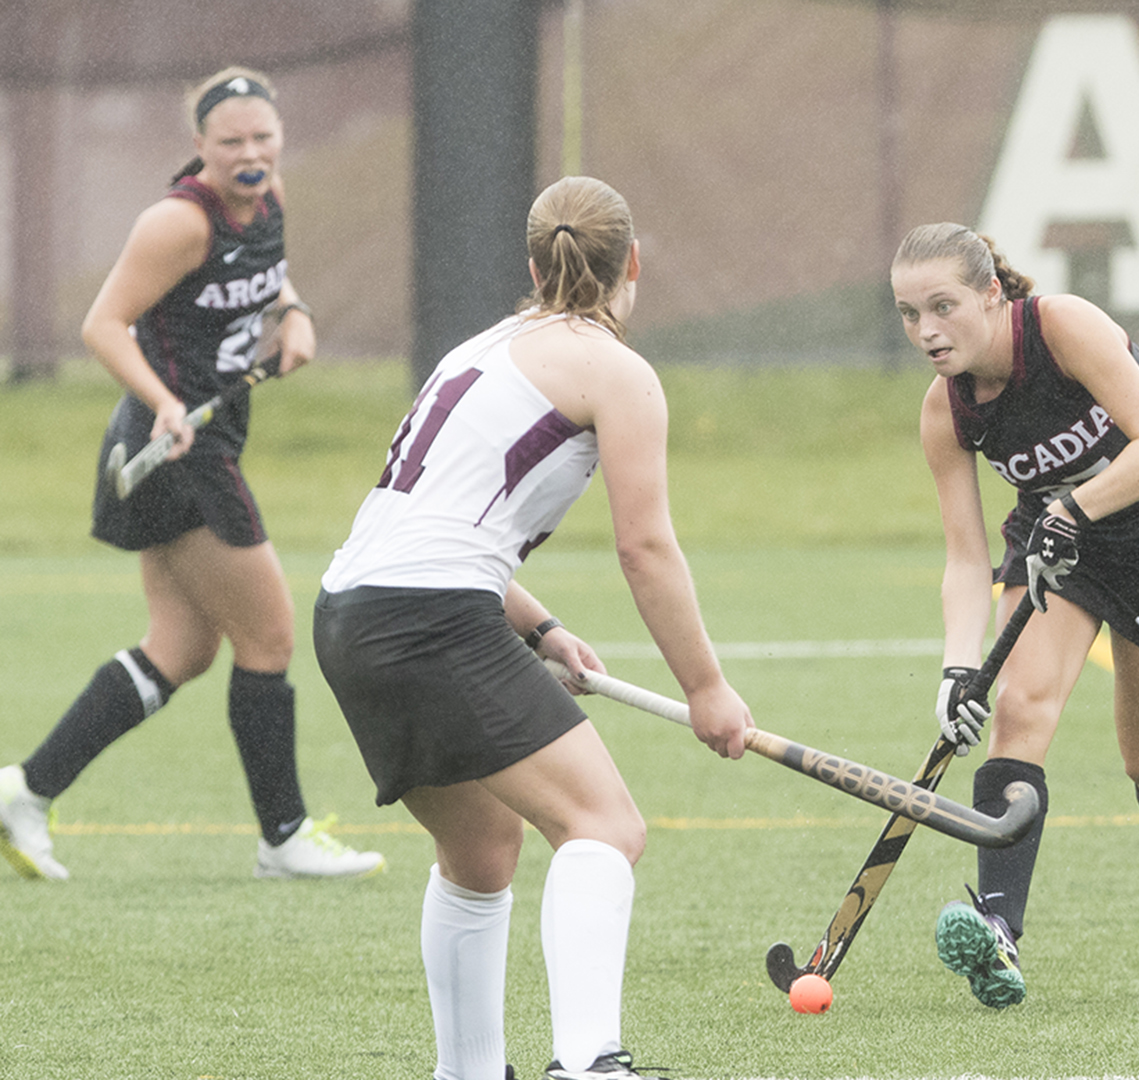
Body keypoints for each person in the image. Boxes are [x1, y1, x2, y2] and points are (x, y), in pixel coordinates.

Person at [312, 175, 754, 1080]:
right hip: (429, 616)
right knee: (604, 826)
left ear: (533, 265)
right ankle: (591, 1063)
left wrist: (541, 624)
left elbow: (430, 517)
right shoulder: (619, 373)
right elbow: (647, 549)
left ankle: (468, 1073)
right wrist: (707, 688)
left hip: (351, 612)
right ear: (633, 264)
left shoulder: (478, 349)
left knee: (480, 849)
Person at [0, 68, 383, 882]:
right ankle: (283, 837)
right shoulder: (177, 221)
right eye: (232, 143)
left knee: (179, 647)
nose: (250, 155)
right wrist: (166, 403)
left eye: (263, 139)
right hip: (176, 451)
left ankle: (24, 792)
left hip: (211, 437)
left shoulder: (269, 196)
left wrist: (297, 314)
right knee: (271, 635)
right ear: (200, 146)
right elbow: (102, 325)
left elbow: (268, 272)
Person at [893, 223, 1139, 1004]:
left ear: (992, 292)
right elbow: (965, 559)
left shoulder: (1063, 327)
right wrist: (959, 669)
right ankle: (997, 930)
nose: (926, 331)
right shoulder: (947, 410)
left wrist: (1078, 506)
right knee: (1017, 713)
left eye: (942, 306)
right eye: (908, 314)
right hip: (1059, 548)